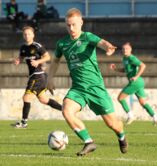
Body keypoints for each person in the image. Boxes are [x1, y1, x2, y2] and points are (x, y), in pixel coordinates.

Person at [47, 8, 128, 156]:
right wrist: (50, 78)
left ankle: (121, 136)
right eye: (68, 25)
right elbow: (55, 61)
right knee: (67, 111)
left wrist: (108, 47)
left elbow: (102, 42)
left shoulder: (87, 37)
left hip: (96, 88)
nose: (71, 28)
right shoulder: (62, 43)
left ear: (81, 23)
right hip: (78, 89)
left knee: (112, 124)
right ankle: (89, 142)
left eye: (74, 25)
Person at [13, 26, 62, 128]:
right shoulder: (23, 47)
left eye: (29, 34)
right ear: (23, 35)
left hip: (38, 75)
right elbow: (22, 56)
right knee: (44, 100)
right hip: (35, 75)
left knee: (26, 97)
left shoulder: (37, 46)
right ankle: (65, 109)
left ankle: (24, 123)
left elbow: (47, 57)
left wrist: (38, 61)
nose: (27, 36)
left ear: (33, 35)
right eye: (25, 34)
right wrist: (18, 60)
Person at [110, 42, 157, 125]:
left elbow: (143, 65)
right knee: (143, 102)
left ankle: (130, 116)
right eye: (123, 49)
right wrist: (116, 69)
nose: (124, 50)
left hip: (135, 82)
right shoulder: (125, 59)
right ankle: (155, 117)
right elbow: (125, 70)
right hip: (139, 82)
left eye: (126, 49)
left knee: (120, 98)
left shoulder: (131, 58)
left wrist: (136, 76)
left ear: (130, 50)